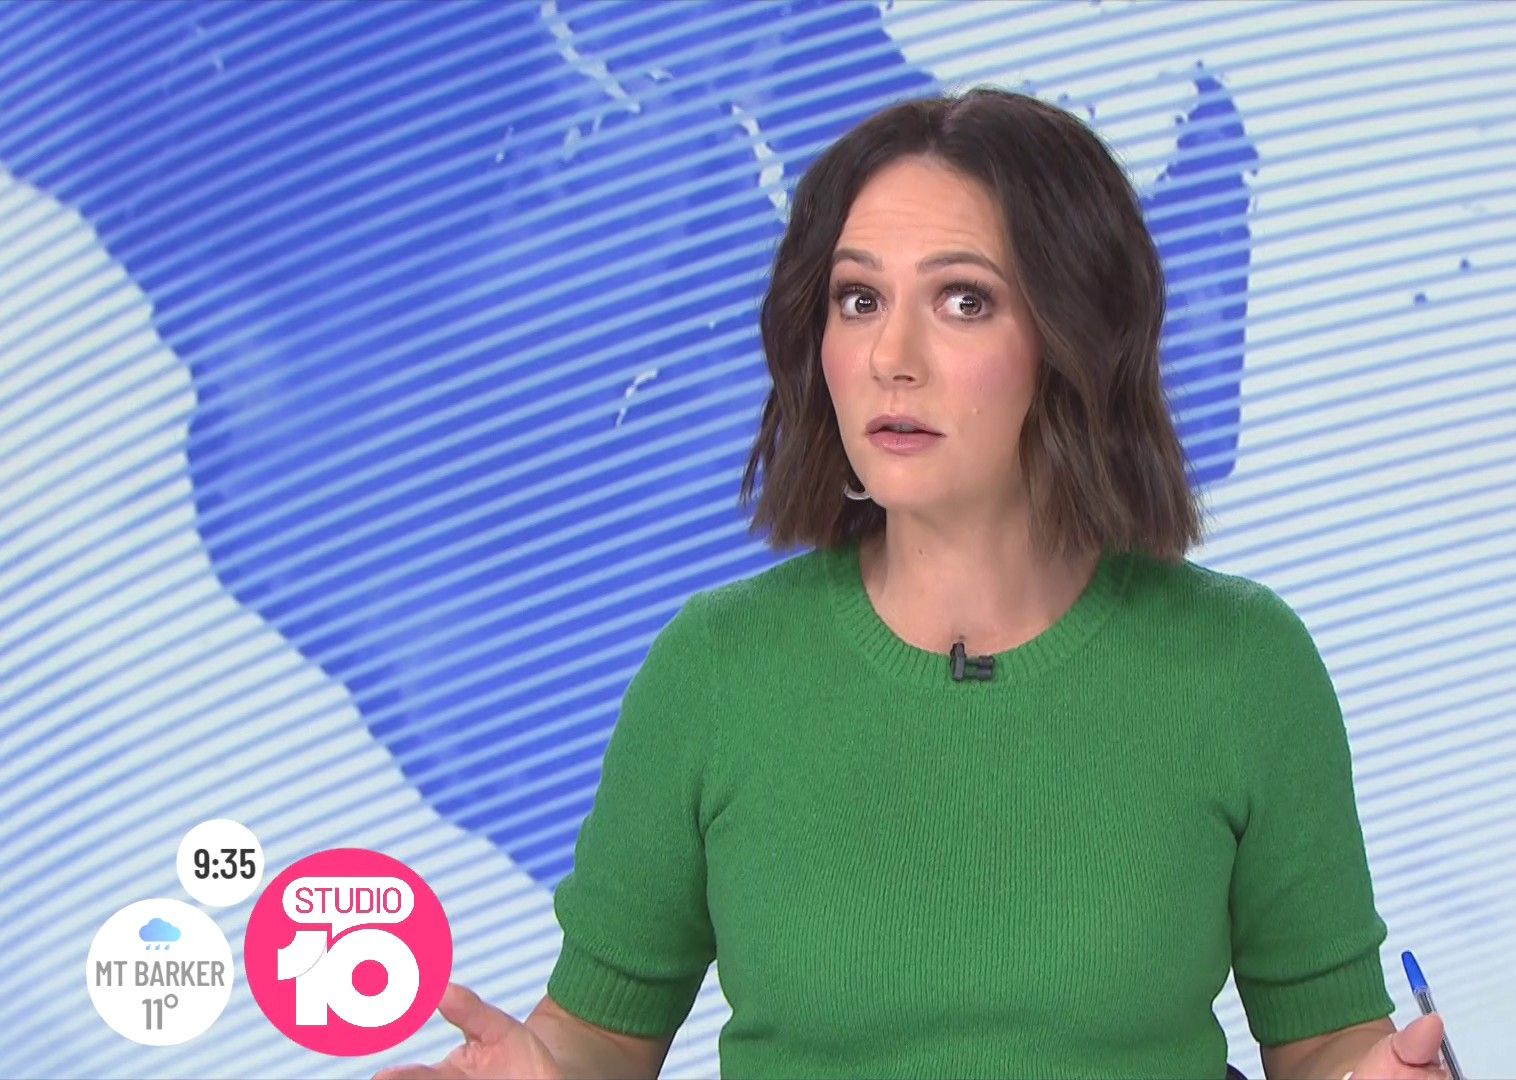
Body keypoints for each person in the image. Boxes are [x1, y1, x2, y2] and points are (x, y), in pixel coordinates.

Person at [373, 87, 1450, 1080]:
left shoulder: (1241, 663)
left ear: (1072, 336)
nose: (893, 355)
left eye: (963, 301)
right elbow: (601, 1032)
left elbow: (1326, 1039)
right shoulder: (717, 667)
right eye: (857, 299)